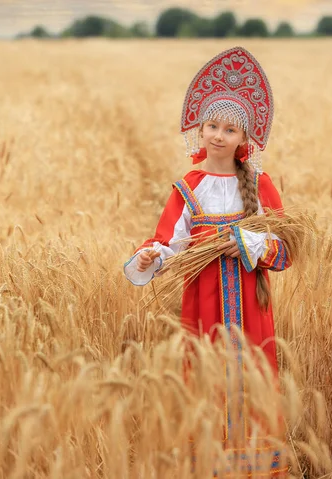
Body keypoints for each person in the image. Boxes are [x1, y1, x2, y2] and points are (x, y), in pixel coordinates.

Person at [124, 46, 291, 477]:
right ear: (200, 130)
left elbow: (285, 249)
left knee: (253, 375)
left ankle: (254, 465)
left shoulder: (259, 184)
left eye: (229, 129)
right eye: (211, 125)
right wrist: (151, 256)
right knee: (203, 373)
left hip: (252, 308)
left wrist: (248, 245)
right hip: (203, 304)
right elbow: (169, 242)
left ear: (244, 139)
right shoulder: (187, 187)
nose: (218, 135)